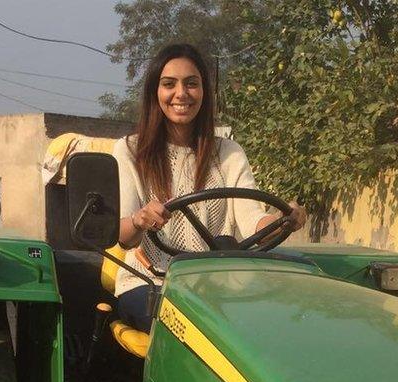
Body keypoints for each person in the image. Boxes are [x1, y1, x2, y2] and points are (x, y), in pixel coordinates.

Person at [112, 43, 307, 332]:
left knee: (282, 320)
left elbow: (252, 219)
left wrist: (281, 221)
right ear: (156, 92)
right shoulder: (130, 150)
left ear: (204, 92)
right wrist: (140, 219)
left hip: (218, 286)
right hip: (151, 283)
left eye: (192, 84)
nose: (181, 94)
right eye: (169, 84)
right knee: (194, 327)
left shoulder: (228, 153)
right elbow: (124, 236)